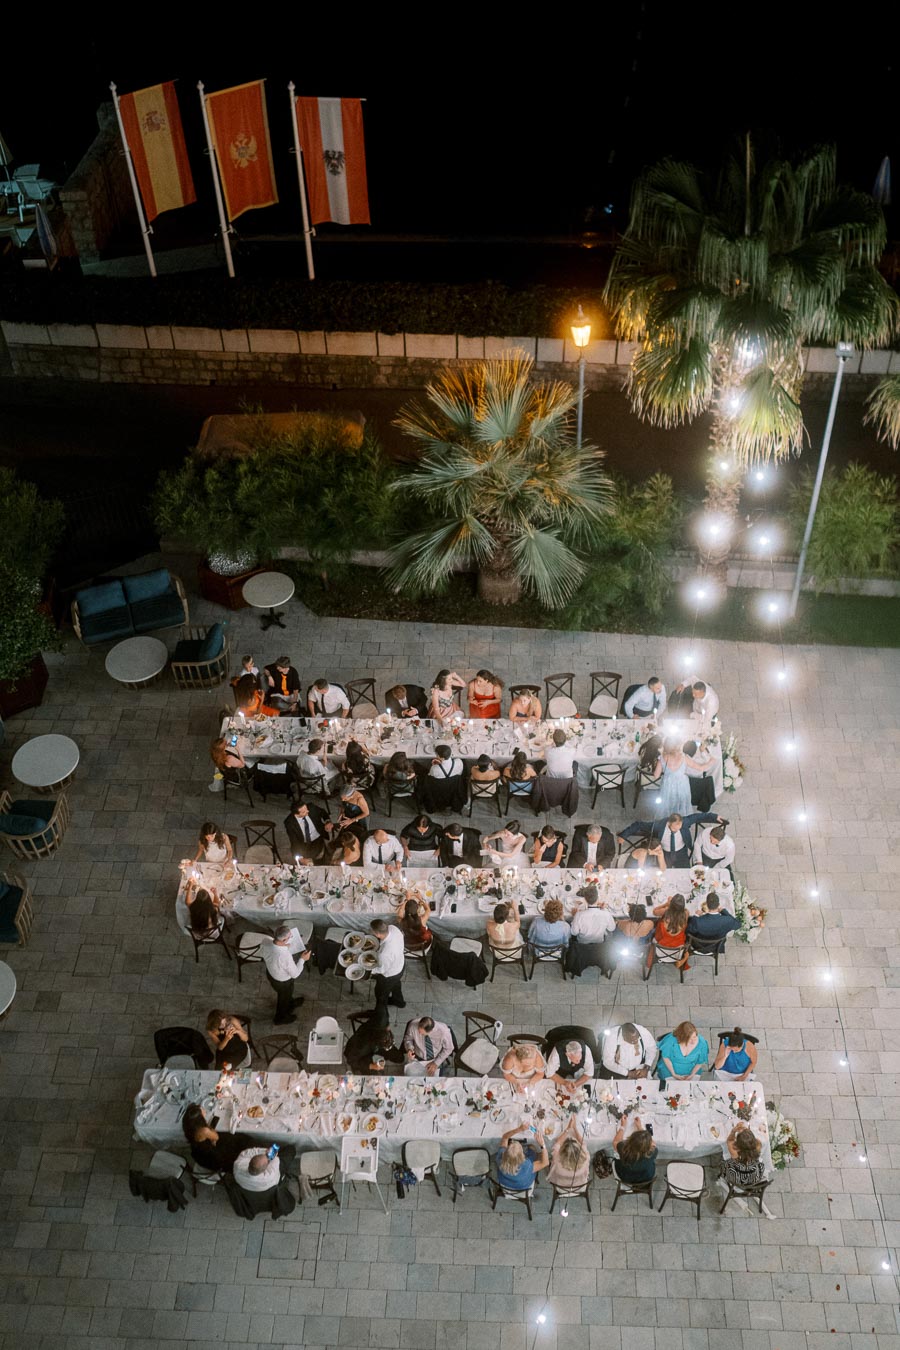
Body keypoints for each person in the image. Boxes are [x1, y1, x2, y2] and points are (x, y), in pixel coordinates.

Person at [620, 811, 723, 869]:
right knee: (665, 873)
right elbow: (639, 824)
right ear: (669, 823)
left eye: (679, 828)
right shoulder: (659, 825)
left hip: (681, 852)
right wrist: (624, 835)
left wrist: (714, 817)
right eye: (674, 829)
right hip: (666, 853)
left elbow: (698, 816)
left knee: (685, 872)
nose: (676, 831)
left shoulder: (685, 822)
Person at [182, 1103, 255, 1174]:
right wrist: (210, 1132)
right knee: (240, 1139)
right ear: (199, 1119)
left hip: (199, 1151)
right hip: (212, 1156)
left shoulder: (189, 1126)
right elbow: (216, 1137)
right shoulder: (203, 1130)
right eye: (202, 1111)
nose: (204, 1110)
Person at [261, 925, 311, 1024]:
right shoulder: (284, 956)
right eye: (290, 937)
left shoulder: (266, 941)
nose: (292, 938)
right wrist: (302, 959)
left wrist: (286, 946)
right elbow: (295, 974)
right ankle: (280, 1018)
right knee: (283, 998)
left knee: (286, 996)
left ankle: (291, 1003)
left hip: (271, 974)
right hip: (282, 981)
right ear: (284, 940)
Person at [650, 738, 709, 817]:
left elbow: (656, 775)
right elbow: (701, 768)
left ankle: (669, 822)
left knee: (668, 803)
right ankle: (680, 821)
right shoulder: (684, 757)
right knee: (682, 803)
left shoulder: (662, 757)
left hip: (668, 785)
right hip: (682, 785)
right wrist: (711, 761)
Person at [495, 1124, 549, 1190]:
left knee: (532, 1151)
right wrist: (542, 1144)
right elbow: (545, 1163)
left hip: (505, 1182)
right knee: (532, 1148)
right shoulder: (527, 1165)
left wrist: (519, 1129)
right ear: (522, 1156)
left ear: (505, 1153)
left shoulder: (499, 1158)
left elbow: (505, 1137)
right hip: (523, 1185)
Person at [646, 894, 689, 975]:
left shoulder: (666, 912)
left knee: (653, 933)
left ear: (671, 905)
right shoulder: (686, 913)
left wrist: (666, 903)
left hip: (660, 949)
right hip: (677, 951)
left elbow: (654, 911)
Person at [370, 918, 406, 1012]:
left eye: (372, 931)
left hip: (390, 975)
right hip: (400, 965)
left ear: (377, 934)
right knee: (396, 986)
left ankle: (380, 1012)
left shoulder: (385, 954)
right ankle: (399, 1002)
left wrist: (370, 969)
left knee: (380, 993)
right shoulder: (393, 928)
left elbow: (382, 970)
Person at [546, 1118, 591, 1190]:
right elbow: (583, 1142)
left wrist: (568, 1128)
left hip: (561, 1185)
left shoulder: (557, 1159)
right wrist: (575, 1128)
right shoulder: (586, 1157)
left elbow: (558, 1142)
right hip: (579, 1185)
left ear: (563, 1151)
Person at [613, 1117, 658, 1185]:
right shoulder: (653, 1151)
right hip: (646, 1176)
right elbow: (653, 1143)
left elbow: (615, 1142)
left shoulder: (624, 1150)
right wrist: (640, 1128)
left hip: (626, 1177)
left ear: (630, 1141)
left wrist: (623, 1126)